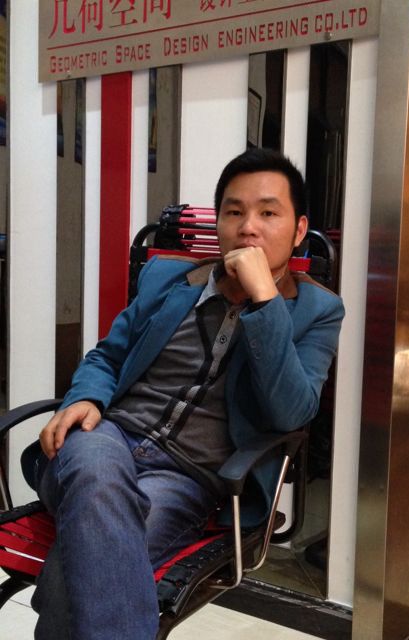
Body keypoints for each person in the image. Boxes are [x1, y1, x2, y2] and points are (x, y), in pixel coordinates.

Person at [26, 147, 345, 640]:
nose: (248, 228)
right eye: (234, 212)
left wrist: (265, 302)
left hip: (185, 477)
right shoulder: (168, 278)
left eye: (268, 213)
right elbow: (107, 356)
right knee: (98, 478)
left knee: (82, 567)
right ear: (218, 222)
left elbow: (291, 412)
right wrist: (84, 398)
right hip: (106, 439)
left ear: (299, 229)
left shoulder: (317, 311)